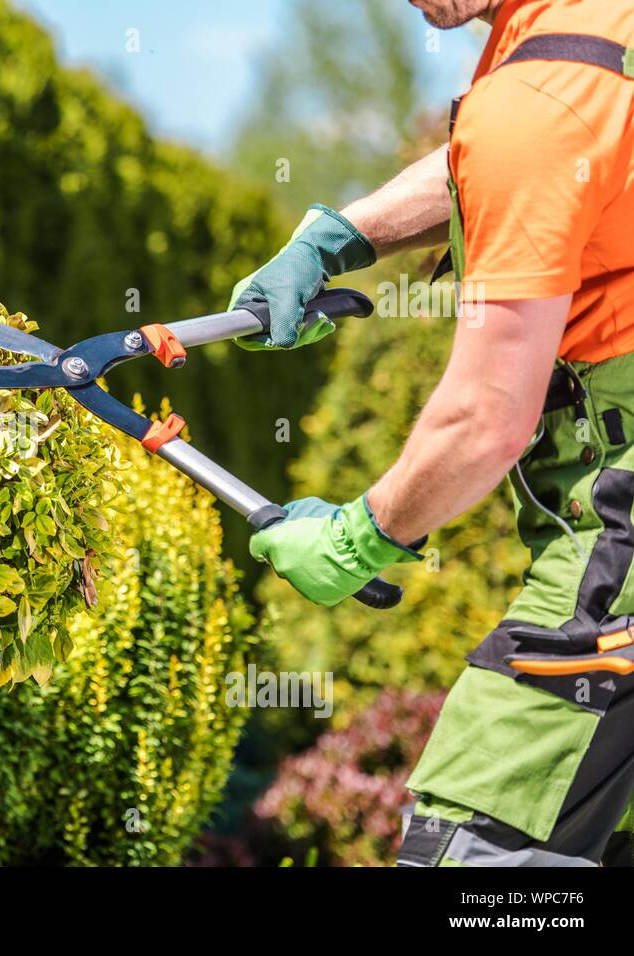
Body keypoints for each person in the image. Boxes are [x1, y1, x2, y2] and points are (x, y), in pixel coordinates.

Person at [238, 0, 634, 866]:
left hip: (620, 535)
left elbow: (487, 420)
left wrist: (359, 536)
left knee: (470, 854)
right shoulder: (593, 32)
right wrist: (342, 238)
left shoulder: (536, 95)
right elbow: (530, 161)